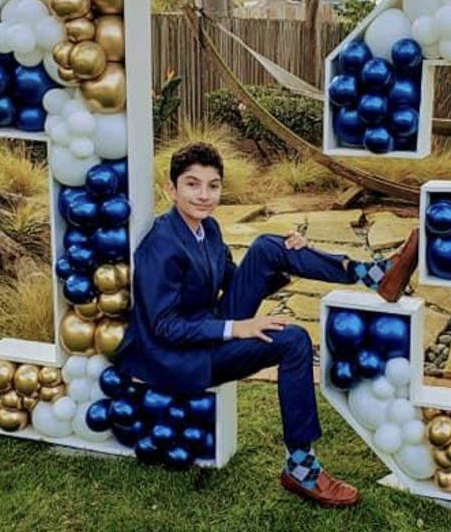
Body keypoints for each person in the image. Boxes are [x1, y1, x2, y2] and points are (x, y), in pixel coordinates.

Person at [116, 142, 414, 508]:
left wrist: (289, 258)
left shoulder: (207, 229)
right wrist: (235, 329)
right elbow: (163, 327)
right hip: (179, 357)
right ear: (171, 189)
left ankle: (369, 273)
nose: (204, 195)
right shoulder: (160, 244)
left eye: (213, 185)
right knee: (293, 341)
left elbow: (236, 277)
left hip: (206, 329)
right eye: (193, 185)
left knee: (268, 247)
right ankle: (301, 467)